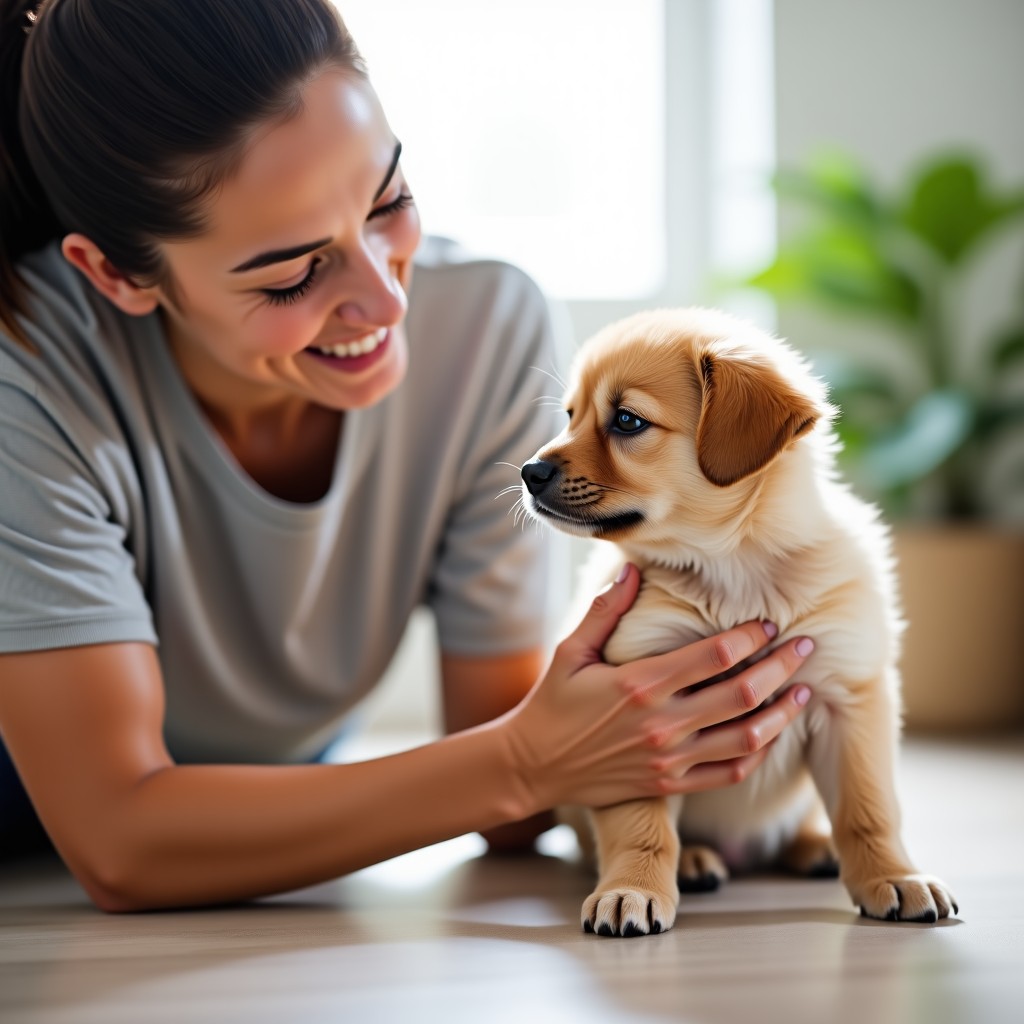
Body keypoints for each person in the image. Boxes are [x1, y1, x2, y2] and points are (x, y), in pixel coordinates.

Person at [0, 0, 815, 912]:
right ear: (115, 272)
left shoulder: (486, 330)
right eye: (292, 275)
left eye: (388, 200)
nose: (387, 302)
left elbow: (510, 800)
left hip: (275, 787)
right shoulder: (25, 381)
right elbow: (123, 841)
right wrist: (528, 759)